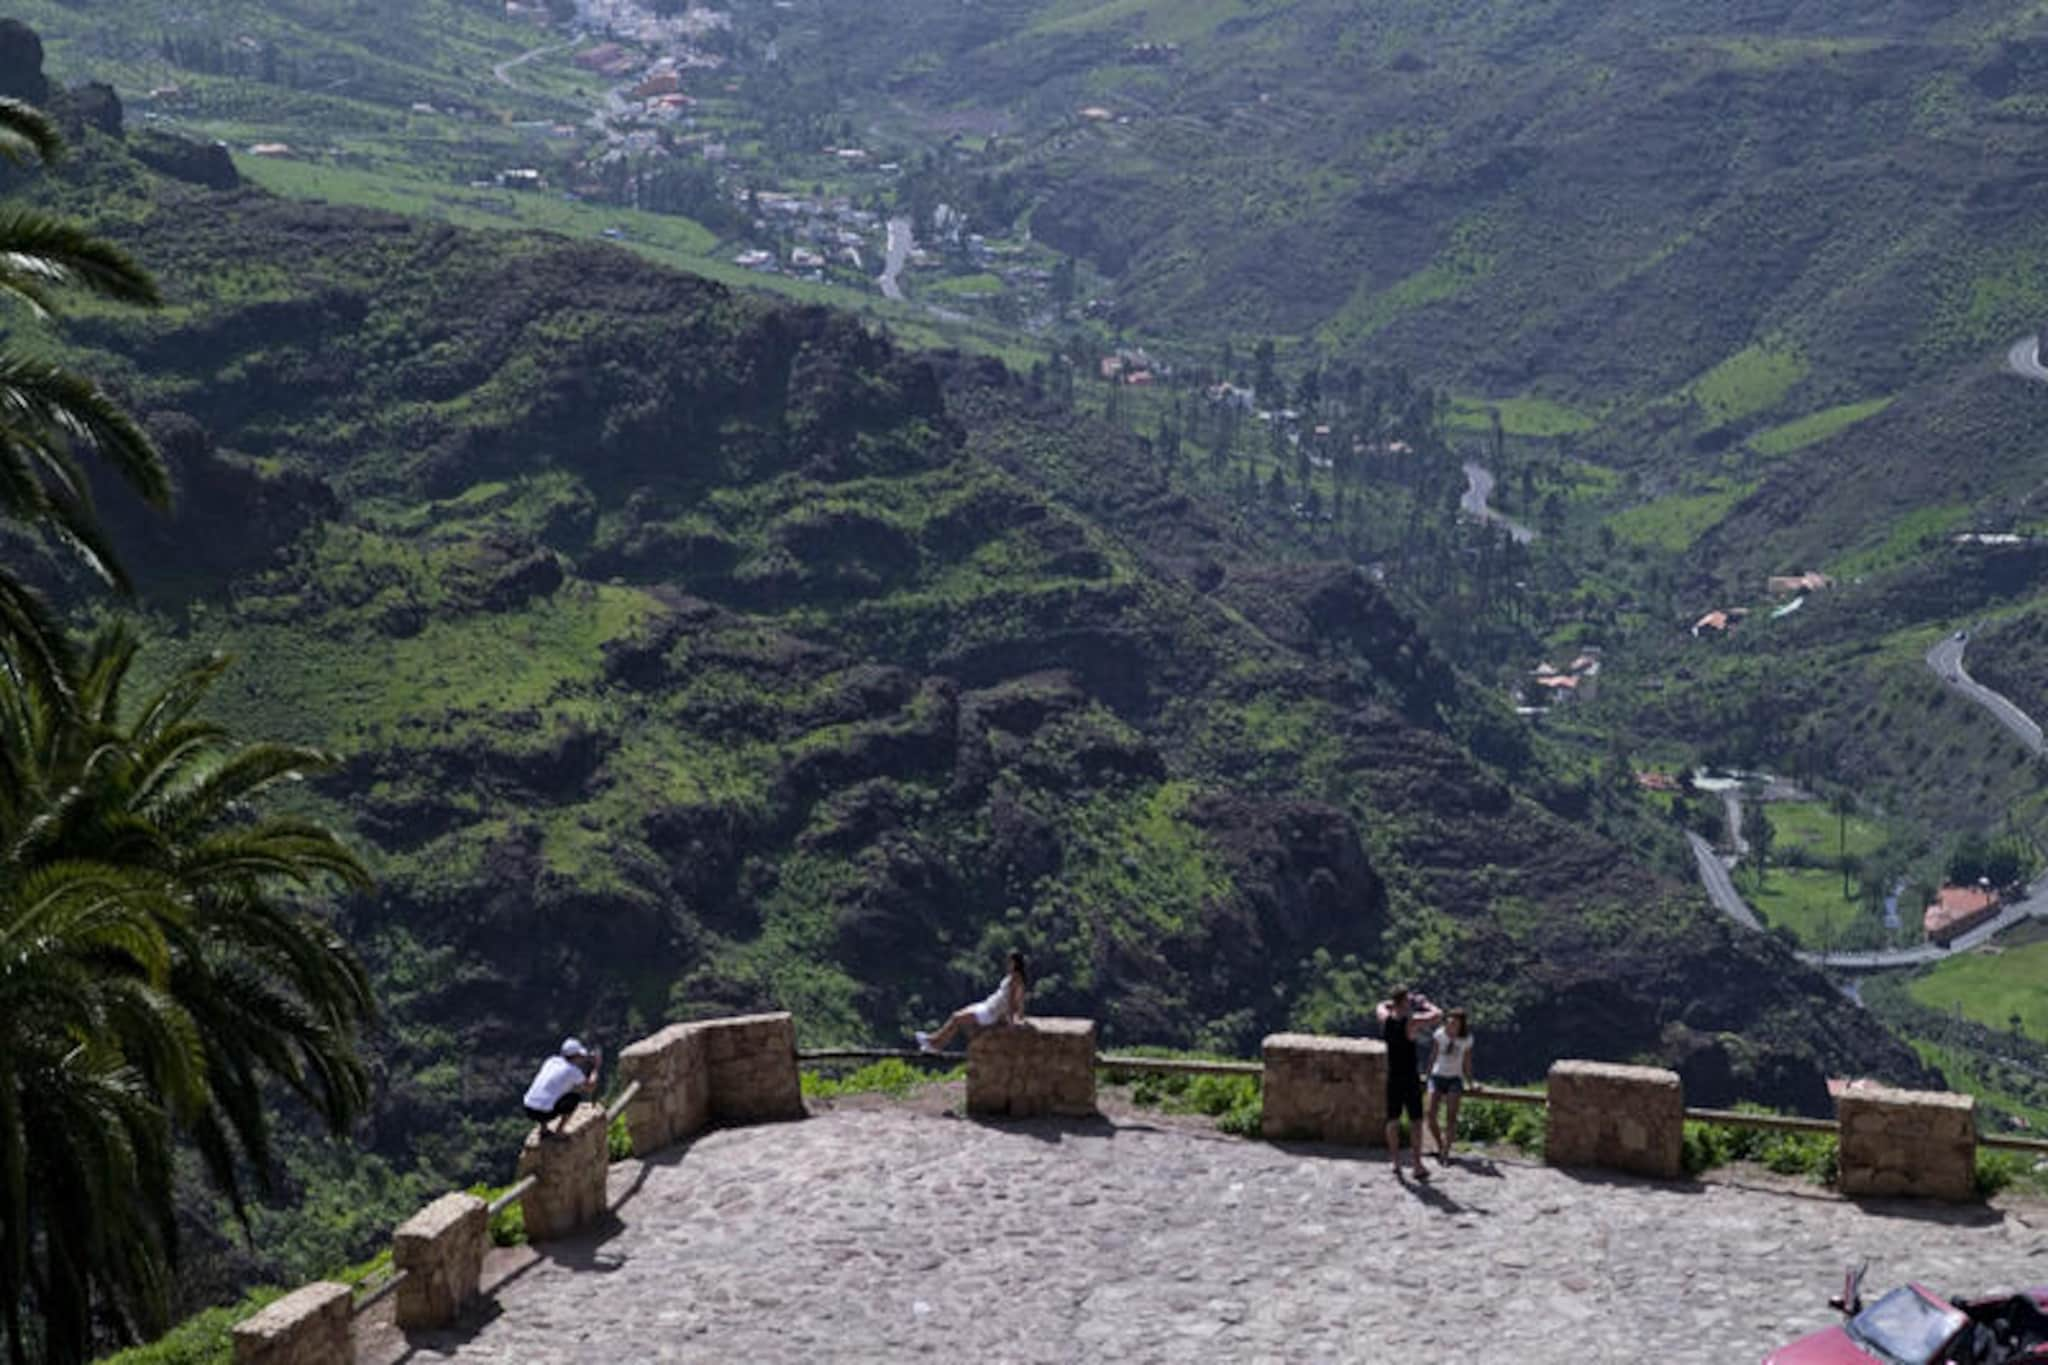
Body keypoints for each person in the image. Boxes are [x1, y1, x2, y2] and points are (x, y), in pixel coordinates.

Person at [1376, 985, 1442, 1180]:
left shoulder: (1386, 1019)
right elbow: (1437, 1015)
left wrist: (1395, 1002)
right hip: (1409, 1077)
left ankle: (1395, 1162)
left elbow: (1379, 1005)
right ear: (1405, 1001)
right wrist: (1423, 1003)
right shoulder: (1410, 1022)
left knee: (1393, 1120)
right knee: (1416, 1121)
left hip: (1393, 1075)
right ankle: (1417, 1164)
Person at [915, 951, 1028, 1053]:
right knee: (956, 1017)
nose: (1007, 964)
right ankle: (935, 1044)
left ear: (1015, 963)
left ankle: (933, 1042)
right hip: (987, 1006)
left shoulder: (1015, 979)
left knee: (956, 1018)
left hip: (989, 1013)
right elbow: (1018, 1001)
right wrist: (1019, 1016)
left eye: (1010, 961)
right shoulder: (1014, 978)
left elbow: (1012, 1001)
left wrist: (1012, 1020)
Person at [1424, 1008, 1475, 1163]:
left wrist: (1470, 1082)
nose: (1451, 1024)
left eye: (1455, 1022)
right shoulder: (1439, 1034)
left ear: (1461, 1025)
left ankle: (1446, 1151)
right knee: (1430, 1114)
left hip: (1454, 1078)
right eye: (1449, 1021)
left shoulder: (1466, 1039)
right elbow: (1433, 1055)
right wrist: (1427, 1076)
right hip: (1437, 1076)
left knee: (1451, 1117)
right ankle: (1440, 1145)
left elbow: (1467, 1062)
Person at [523, 1037, 600, 1134]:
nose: (582, 1058)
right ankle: (560, 1131)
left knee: (549, 1095)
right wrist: (595, 1068)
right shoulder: (572, 1071)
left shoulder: (551, 1060)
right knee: (573, 1098)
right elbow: (590, 1087)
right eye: (580, 1056)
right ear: (575, 1056)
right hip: (543, 1113)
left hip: (528, 1107)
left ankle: (544, 1129)